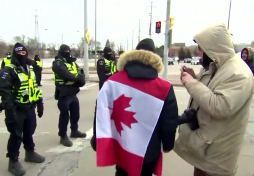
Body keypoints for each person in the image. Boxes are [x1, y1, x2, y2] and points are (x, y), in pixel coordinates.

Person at [174, 23, 254, 176]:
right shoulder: (217, 66)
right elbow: (211, 90)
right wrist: (196, 78)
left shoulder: (238, 73)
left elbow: (220, 106)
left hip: (218, 153)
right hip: (206, 147)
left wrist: (191, 83)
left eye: (200, 48)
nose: (198, 52)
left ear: (212, 48)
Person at [93, 47, 178, 176]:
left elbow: (101, 112)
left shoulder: (112, 82)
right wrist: (167, 144)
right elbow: (169, 121)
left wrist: (97, 140)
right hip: (150, 150)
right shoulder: (165, 87)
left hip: (121, 146)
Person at [0, 42, 45, 176]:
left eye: (24, 53)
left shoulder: (30, 68)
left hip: (29, 107)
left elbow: (33, 87)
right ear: (14, 53)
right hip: (16, 108)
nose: (22, 55)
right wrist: (9, 110)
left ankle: (30, 152)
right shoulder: (9, 69)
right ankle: (13, 161)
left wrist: (39, 102)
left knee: (29, 131)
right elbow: (3, 90)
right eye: (19, 53)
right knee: (16, 135)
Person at [52, 44, 87, 147]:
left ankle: (74, 130)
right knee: (64, 114)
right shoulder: (58, 63)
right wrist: (77, 79)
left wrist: (81, 80)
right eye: (65, 51)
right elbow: (64, 74)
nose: (67, 53)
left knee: (75, 112)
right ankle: (63, 135)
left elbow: (80, 73)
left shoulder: (72, 63)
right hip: (63, 92)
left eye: (68, 51)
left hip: (73, 91)